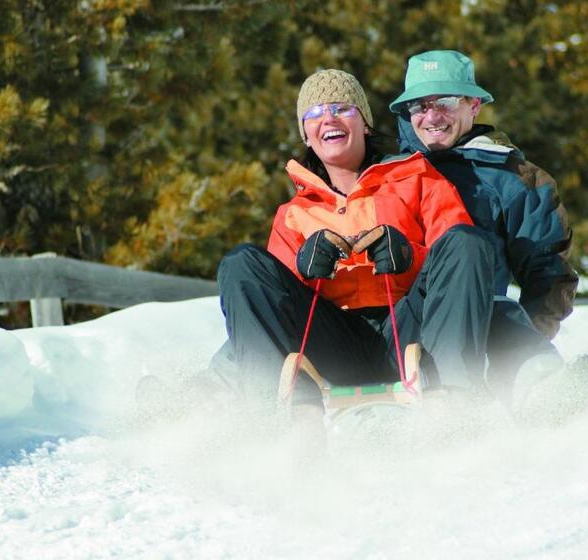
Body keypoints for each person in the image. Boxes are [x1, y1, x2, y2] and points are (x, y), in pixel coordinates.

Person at [214, 69, 502, 405]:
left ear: (364, 122)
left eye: (341, 109)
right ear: (305, 135)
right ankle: (270, 410)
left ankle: (456, 399)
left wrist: (408, 255)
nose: (329, 118)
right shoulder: (293, 213)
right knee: (241, 264)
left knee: (466, 239)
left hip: (410, 331)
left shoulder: (417, 178)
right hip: (333, 343)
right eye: (315, 113)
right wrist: (304, 268)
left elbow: (462, 261)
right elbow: (274, 302)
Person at [388, 50, 588, 419]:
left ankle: (541, 388)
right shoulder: (386, 176)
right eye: (420, 105)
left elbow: (548, 275)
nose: (432, 116)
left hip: (475, 328)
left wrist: (505, 353)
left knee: (500, 311)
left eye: (446, 102)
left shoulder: (514, 180)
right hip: (402, 327)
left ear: (474, 106)